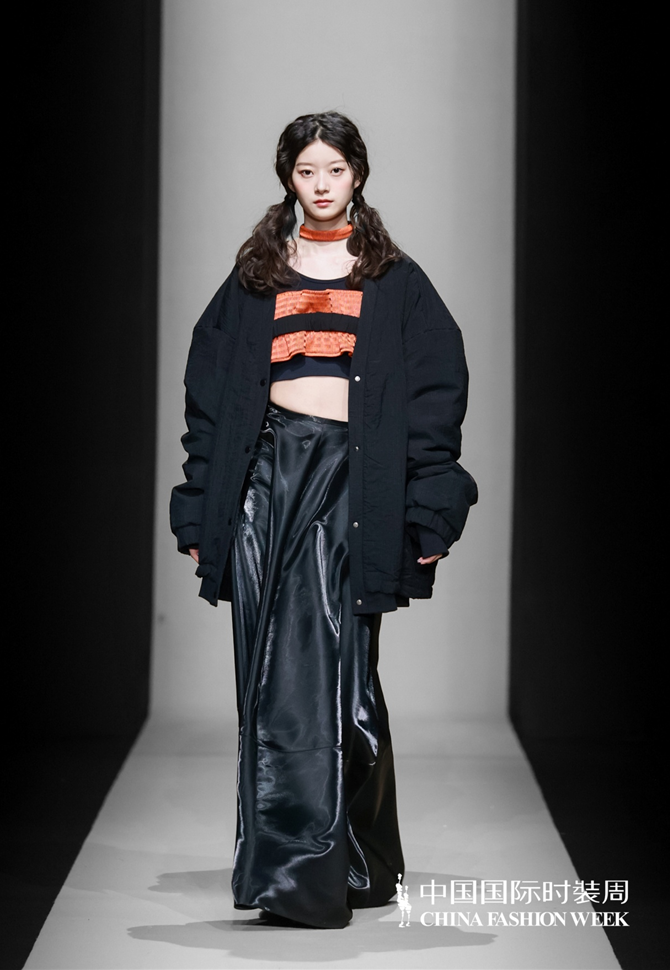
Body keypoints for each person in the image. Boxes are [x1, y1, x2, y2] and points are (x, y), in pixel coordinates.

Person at [170, 111, 478, 929]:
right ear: (288, 177)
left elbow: (435, 399)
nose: (320, 184)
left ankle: (352, 860)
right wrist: (202, 506)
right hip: (266, 482)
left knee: (343, 680)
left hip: (351, 485)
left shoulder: (394, 280)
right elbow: (210, 400)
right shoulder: (256, 275)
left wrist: (428, 510)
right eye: (306, 170)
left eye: (334, 169)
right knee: (274, 680)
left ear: (357, 175)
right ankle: (296, 873)